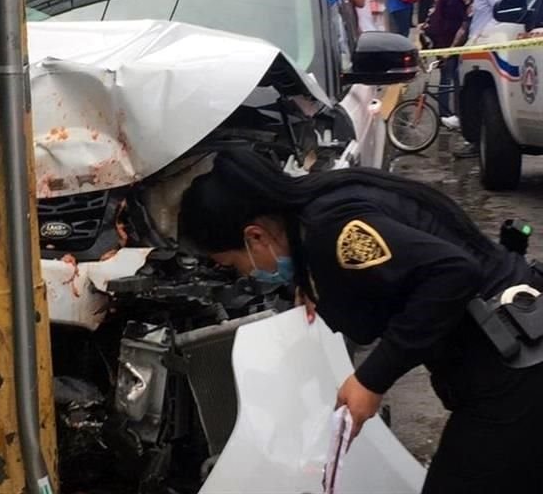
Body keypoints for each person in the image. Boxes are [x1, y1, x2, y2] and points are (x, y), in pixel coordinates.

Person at [178, 148, 543, 494]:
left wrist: (372, 379)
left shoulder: (333, 230)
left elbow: (452, 273)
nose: (243, 275)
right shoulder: (322, 200)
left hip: (513, 368)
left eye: (231, 264)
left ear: (255, 236)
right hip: (515, 345)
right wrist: (311, 280)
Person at [423, 0, 474, 130]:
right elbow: (439, 19)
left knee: (459, 80)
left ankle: (459, 114)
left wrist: (467, 2)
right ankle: (444, 114)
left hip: (464, 44)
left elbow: (469, 19)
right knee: (447, 77)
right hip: (446, 42)